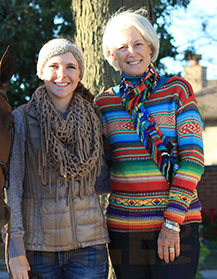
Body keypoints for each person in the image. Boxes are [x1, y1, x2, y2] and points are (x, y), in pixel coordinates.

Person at [95, 8, 204, 279]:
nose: (131, 52)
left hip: (178, 223)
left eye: (138, 44)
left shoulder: (176, 90)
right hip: (123, 229)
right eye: (122, 47)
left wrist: (171, 222)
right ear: (112, 55)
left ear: (150, 47)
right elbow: (103, 165)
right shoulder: (104, 104)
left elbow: (193, 161)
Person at [7, 38, 110, 279]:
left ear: (79, 73)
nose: (61, 74)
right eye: (53, 66)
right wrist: (15, 250)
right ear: (41, 71)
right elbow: (13, 188)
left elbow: (107, 178)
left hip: (90, 247)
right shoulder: (21, 118)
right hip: (38, 250)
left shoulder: (95, 117)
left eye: (70, 67)